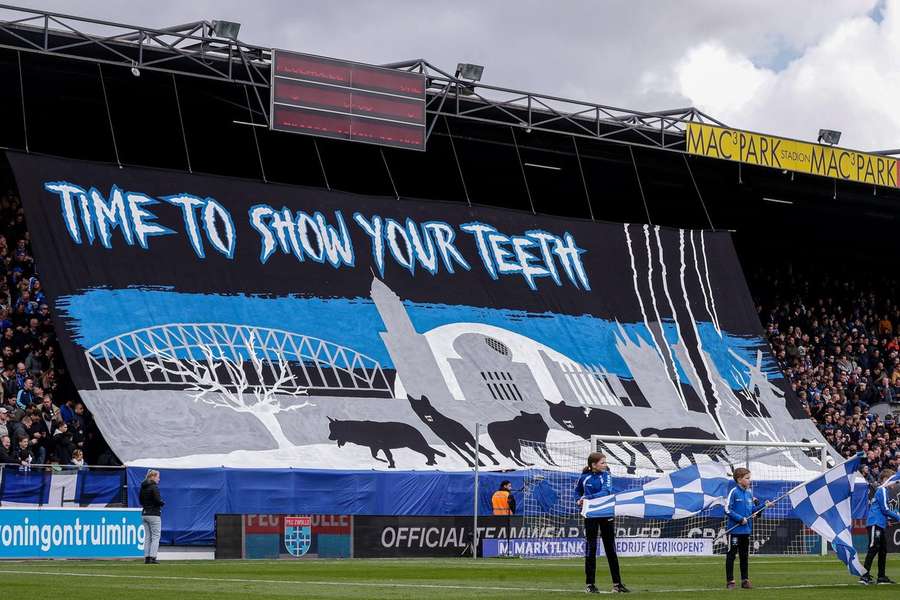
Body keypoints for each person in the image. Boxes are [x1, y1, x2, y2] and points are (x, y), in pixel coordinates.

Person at [576, 452, 628, 594]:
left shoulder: (607, 475)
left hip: (606, 513)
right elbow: (577, 492)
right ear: (593, 465)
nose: (605, 465)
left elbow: (606, 492)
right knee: (591, 549)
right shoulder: (584, 478)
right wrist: (579, 501)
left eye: (605, 462)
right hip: (591, 515)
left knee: (611, 549)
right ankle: (590, 585)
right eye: (603, 463)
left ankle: (617, 585)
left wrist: (587, 498)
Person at [723, 468, 771, 589]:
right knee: (731, 555)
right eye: (747, 478)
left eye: (749, 478)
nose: (750, 480)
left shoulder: (749, 493)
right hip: (734, 531)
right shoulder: (734, 492)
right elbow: (727, 509)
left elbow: (752, 511)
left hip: (746, 531)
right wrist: (740, 519)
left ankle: (745, 580)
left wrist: (764, 506)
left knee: (744, 556)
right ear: (739, 479)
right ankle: (730, 581)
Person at [859, 469, 900, 585]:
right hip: (875, 524)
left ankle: (881, 576)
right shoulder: (882, 490)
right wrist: (898, 517)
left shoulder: (884, 491)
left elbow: (883, 510)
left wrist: (887, 520)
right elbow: (885, 509)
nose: (896, 483)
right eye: (894, 481)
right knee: (873, 548)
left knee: (882, 550)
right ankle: (864, 576)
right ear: (886, 479)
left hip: (880, 524)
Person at [139, 469, 164, 564]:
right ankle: (153, 557)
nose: (159, 479)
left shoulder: (143, 487)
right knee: (156, 536)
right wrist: (162, 503)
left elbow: (140, 501)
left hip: (144, 513)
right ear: (152, 477)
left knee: (147, 537)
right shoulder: (154, 487)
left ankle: (147, 558)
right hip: (154, 514)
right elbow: (157, 499)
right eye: (158, 477)